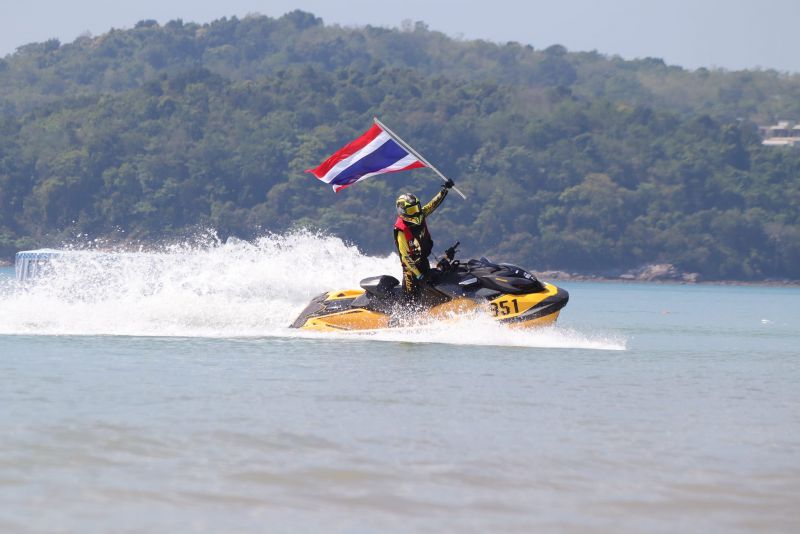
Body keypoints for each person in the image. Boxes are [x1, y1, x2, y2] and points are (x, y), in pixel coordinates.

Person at [394, 178, 455, 300]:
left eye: (416, 208)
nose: (416, 213)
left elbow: (432, 205)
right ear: (403, 211)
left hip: (423, 261)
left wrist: (445, 190)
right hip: (411, 271)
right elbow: (406, 257)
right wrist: (418, 275)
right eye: (412, 210)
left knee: (431, 289)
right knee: (411, 300)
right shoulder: (401, 230)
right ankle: (403, 317)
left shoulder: (420, 215)